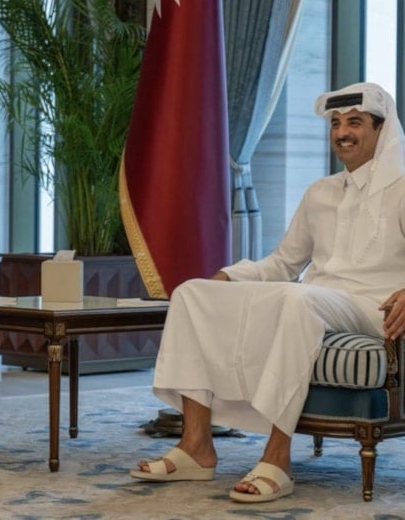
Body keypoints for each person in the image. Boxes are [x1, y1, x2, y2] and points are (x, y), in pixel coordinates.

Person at [130, 82, 405, 503]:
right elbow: (282, 264)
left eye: (354, 122)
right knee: (191, 293)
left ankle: (277, 458)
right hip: (320, 299)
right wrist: (228, 278)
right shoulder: (321, 192)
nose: (342, 132)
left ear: (381, 130)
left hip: (374, 307)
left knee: (296, 300)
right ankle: (196, 445)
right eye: (335, 124)